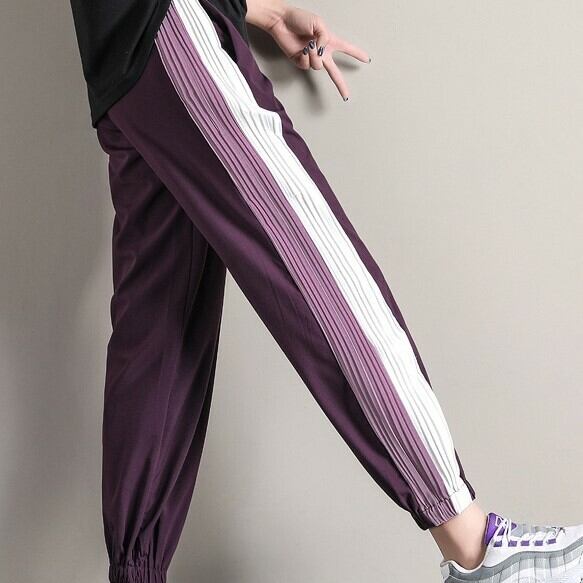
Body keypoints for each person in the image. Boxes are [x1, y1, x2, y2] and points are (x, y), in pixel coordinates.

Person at [68, 0, 583, 581]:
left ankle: (135, 574)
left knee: (161, 326)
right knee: (314, 257)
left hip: (119, 53)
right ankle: (476, 548)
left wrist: (258, 12)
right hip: (164, 23)